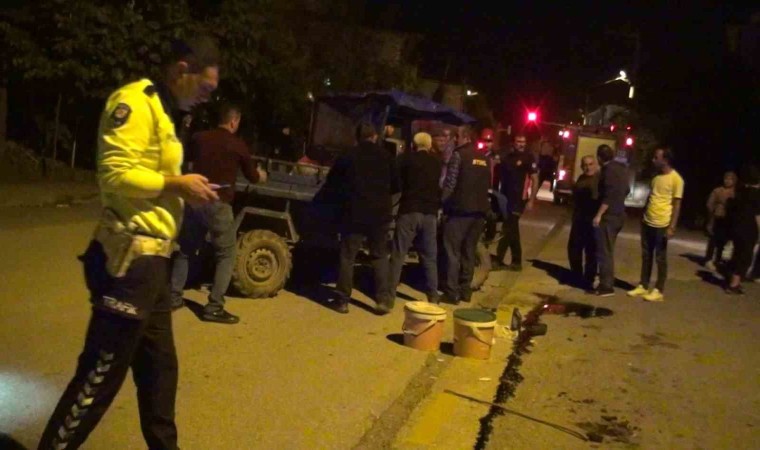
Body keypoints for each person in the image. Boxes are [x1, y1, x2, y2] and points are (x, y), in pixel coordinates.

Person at [38, 37, 220, 450]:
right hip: (129, 261)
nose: (207, 97)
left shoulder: (168, 116)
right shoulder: (136, 102)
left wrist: (185, 190)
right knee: (99, 377)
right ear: (182, 70)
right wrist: (177, 183)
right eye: (205, 87)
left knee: (160, 375)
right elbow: (115, 175)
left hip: (154, 263)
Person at [170, 103, 267, 323]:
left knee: (185, 250)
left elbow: (185, 159)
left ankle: (173, 298)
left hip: (195, 201)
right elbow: (252, 177)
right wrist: (262, 175)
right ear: (234, 121)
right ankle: (214, 307)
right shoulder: (237, 145)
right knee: (226, 254)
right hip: (218, 204)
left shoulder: (199, 138)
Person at [317, 122, 400, 314]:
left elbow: (332, 183)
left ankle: (342, 301)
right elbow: (397, 186)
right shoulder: (387, 157)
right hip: (380, 215)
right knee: (379, 256)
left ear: (357, 137)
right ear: (375, 136)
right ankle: (383, 300)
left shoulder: (348, 156)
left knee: (348, 256)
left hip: (354, 213)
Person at [389, 132, 443, 305]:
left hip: (409, 210)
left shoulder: (406, 160)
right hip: (429, 214)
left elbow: (396, 182)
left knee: (398, 254)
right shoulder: (437, 163)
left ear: (414, 144)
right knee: (429, 257)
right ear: (429, 146)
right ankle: (433, 296)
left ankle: (388, 297)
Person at [440, 125, 492, 304]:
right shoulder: (484, 159)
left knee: (452, 251)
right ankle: (465, 291)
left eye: (457, 136)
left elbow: (450, 184)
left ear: (466, 137)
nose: (455, 139)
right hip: (479, 213)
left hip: (460, 211)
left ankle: (451, 292)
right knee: (469, 251)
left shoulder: (459, 155)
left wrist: (441, 203)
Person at [627, 148, 684, 302]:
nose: (653, 160)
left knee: (660, 257)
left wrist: (672, 226)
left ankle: (659, 290)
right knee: (646, 255)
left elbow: (677, 204)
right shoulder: (656, 177)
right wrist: (643, 215)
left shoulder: (676, 179)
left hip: (662, 224)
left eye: (656, 157)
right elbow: (651, 197)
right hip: (648, 221)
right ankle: (643, 285)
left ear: (665, 160)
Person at [492, 134, 539, 272]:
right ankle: (516, 261)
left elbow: (535, 179)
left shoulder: (529, 157)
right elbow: (496, 164)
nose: (521, 144)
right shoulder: (508, 156)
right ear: (514, 142)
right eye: (519, 141)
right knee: (512, 229)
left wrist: (531, 200)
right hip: (506, 198)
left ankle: (499, 259)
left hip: (519, 199)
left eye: (523, 141)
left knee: (508, 228)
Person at [592, 144, 630, 297]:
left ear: (599, 158)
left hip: (609, 217)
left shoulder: (607, 171)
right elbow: (626, 190)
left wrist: (599, 214)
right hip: (620, 214)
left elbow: (608, 195)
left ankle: (606, 286)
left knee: (605, 252)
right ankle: (604, 281)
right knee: (608, 249)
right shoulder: (621, 169)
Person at [725, 165, 760, 295]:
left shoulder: (739, 192)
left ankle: (734, 281)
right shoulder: (756, 195)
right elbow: (757, 215)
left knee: (737, 253)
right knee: (745, 256)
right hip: (749, 228)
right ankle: (733, 285)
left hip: (737, 227)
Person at [568, 155, 600, 290]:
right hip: (579, 219)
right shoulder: (581, 178)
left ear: (595, 165)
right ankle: (577, 275)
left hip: (591, 220)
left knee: (591, 251)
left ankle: (589, 279)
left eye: (591, 164)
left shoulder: (599, 180)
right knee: (574, 248)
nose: (588, 167)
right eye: (585, 165)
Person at [704, 171, 737, 271]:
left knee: (723, 241)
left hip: (729, 219)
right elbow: (709, 204)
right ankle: (708, 259)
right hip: (717, 217)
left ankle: (718, 259)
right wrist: (712, 214)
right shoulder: (717, 191)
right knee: (713, 239)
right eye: (726, 178)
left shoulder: (736, 192)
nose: (727, 181)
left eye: (730, 179)